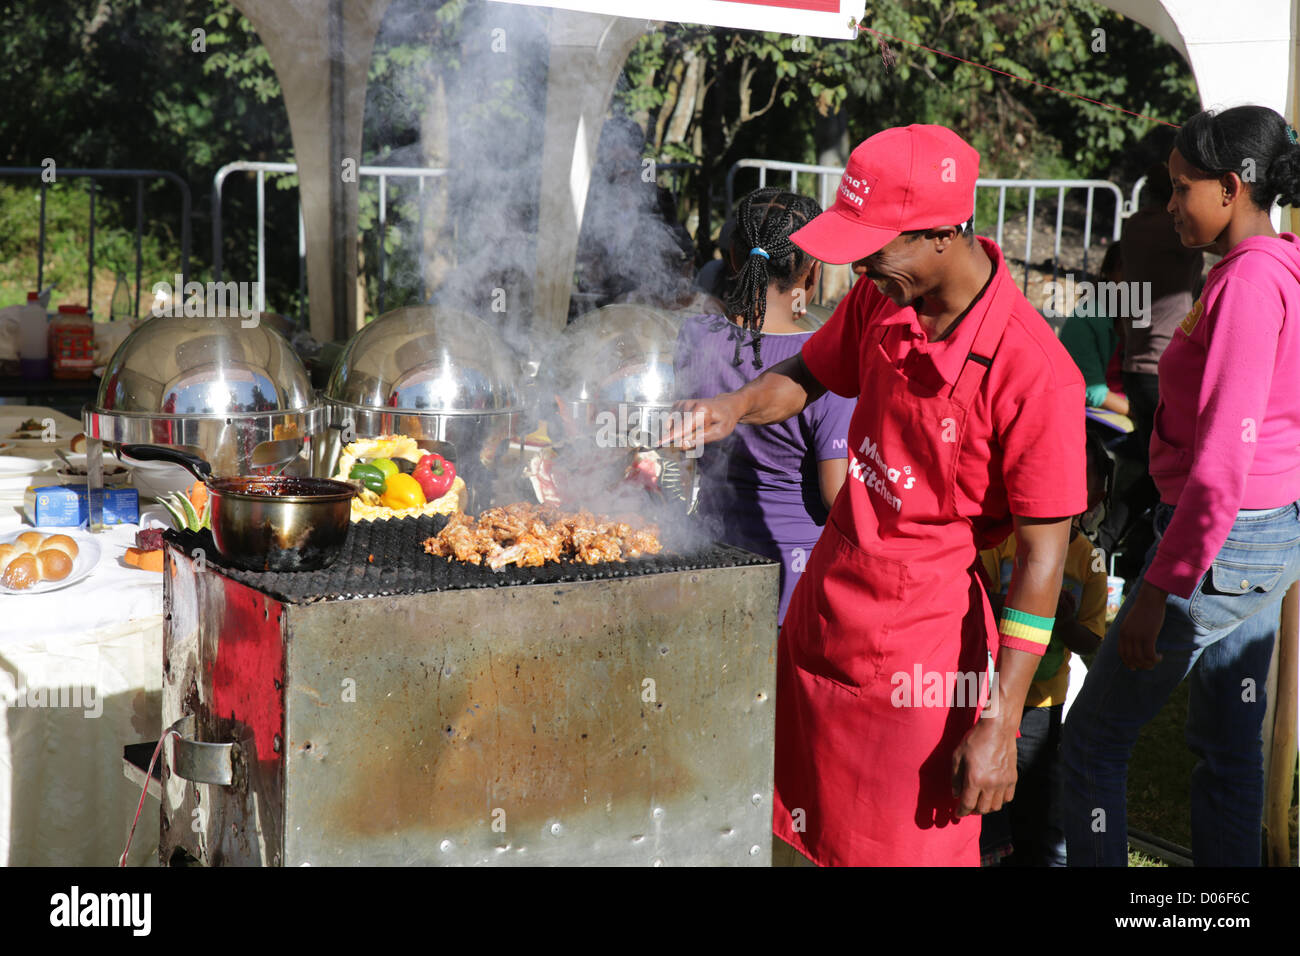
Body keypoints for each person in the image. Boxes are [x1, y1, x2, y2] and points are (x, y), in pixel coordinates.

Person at [666, 124, 1087, 866]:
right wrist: (734, 407)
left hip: (920, 663)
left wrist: (1000, 720)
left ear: (941, 236)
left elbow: (1044, 560)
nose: (858, 263)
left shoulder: (1035, 370)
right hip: (824, 616)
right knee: (796, 840)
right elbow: (804, 375)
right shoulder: (880, 300)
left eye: (875, 245)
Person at [1062, 105, 1300, 866]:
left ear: (1231, 189)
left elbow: (1228, 453)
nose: (1168, 207)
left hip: (1217, 544)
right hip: (1262, 537)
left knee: (1093, 740)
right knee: (1229, 746)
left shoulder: (1252, 286)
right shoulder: (1272, 269)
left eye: (1180, 188)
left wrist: (1162, 586)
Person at [673, 188, 852, 626]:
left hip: (709, 560)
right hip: (793, 579)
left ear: (734, 260)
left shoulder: (695, 335)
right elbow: (836, 497)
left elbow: (684, 452)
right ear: (813, 272)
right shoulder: (827, 360)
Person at [977, 431, 1110, 866]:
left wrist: (1066, 622)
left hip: (1043, 703)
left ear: (1098, 491)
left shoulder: (1089, 559)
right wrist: (1023, 601)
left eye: (1082, 476)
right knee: (987, 809)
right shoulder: (1005, 540)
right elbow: (977, 603)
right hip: (989, 695)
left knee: (1035, 801)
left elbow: (1092, 640)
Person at [1058, 244, 1129, 416]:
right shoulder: (1086, 320)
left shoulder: (1154, 314)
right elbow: (1092, 391)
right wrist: (1146, 415)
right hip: (1093, 415)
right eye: (1126, 270)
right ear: (1110, 274)